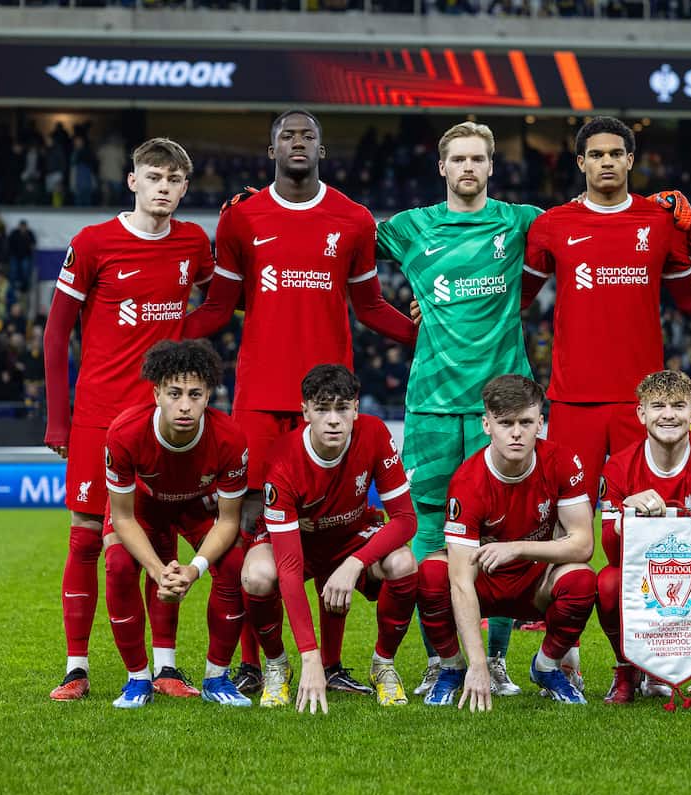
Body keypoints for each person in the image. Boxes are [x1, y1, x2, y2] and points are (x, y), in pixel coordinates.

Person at [182, 109, 416, 693]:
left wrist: (430, 330)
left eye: (307, 135)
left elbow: (369, 308)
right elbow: (217, 309)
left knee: (330, 529)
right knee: (247, 530)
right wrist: (161, 332)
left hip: (329, 401)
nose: (297, 143)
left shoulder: (354, 220)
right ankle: (252, 662)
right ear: (270, 150)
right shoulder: (242, 217)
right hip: (260, 400)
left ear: (321, 148)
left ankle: (331, 665)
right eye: (287, 135)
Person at [44, 137, 214, 701]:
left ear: (185, 188)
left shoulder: (194, 243)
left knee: (158, 535)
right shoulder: (93, 243)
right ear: (133, 181)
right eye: (154, 177)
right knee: (87, 536)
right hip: (97, 415)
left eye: (175, 180)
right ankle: (76, 667)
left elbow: (220, 299)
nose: (164, 187)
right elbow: (55, 332)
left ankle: (163, 667)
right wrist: (58, 420)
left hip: (163, 421)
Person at [375, 121, 540, 696]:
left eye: (478, 158)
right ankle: (443, 660)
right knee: (427, 533)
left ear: (492, 166)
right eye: (458, 159)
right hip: (432, 407)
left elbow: (589, 222)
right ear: (441, 168)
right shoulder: (410, 227)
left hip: (502, 410)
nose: (468, 167)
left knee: (503, 530)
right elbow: (339, 241)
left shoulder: (520, 222)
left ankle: (492, 658)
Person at [522, 116, 691, 507]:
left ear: (631, 160)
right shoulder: (551, 225)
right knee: (566, 518)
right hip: (574, 398)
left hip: (641, 400)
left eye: (616, 154)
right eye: (596, 154)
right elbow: (515, 300)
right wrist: (441, 306)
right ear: (580, 163)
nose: (607, 161)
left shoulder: (660, 222)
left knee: (645, 517)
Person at [241, 365, 418, 711]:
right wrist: (309, 656)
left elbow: (405, 520)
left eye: (341, 408)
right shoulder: (284, 461)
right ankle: (277, 666)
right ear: (305, 411)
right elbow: (290, 567)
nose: (333, 420)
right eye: (322, 409)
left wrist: (354, 564)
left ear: (356, 408)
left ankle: (383, 665)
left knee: (403, 562)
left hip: (351, 538)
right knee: (257, 574)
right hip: (300, 544)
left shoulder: (375, 433)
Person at [416, 375, 597, 710]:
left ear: (540, 422)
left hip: (534, 582)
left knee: (581, 578)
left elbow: (583, 544)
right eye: (505, 423)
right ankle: (452, 668)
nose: (516, 432)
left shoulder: (562, 461)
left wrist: (516, 547)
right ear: (487, 425)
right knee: (430, 574)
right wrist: (477, 664)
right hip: (484, 582)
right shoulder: (467, 482)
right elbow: (459, 581)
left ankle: (546, 667)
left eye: (526, 422)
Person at [102, 340, 251, 709]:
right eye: (174, 393)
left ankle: (217, 677)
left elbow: (228, 519)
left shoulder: (230, 438)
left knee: (234, 564)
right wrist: (157, 571)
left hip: (195, 507)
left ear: (208, 396)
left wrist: (194, 570)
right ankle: (138, 679)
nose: (185, 405)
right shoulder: (124, 433)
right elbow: (120, 516)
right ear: (156, 394)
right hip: (142, 509)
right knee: (119, 564)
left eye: (195, 394)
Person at [595, 370, 691, 707]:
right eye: (658, 406)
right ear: (641, 413)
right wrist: (627, 519)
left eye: (679, 406)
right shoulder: (619, 468)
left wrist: (669, 522)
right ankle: (627, 670)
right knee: (607, 582)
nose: (668, 414)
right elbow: (611, 553)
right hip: (643, 575)